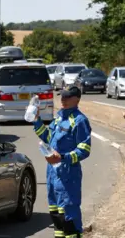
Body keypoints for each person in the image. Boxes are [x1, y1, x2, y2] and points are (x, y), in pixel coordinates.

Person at [32, 86, 92, 238]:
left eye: (67, 96)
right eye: (62, 96)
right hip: (52, 174)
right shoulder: (59, 118)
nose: (63, 99)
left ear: (77, 99)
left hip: (68, 175)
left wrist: (63, 157)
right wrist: (36, 120)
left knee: (69, 218)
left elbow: (84, 150)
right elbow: (47, 137)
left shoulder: (79, 121)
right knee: (56, 217)